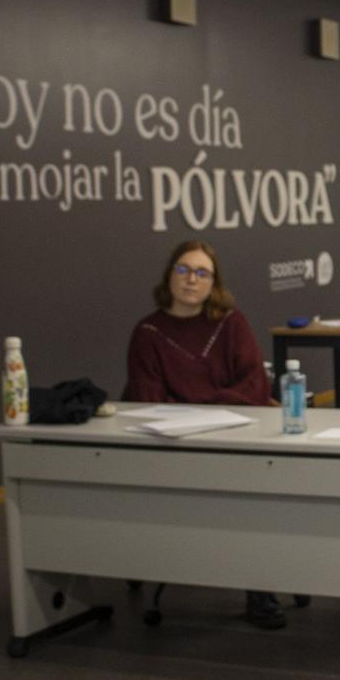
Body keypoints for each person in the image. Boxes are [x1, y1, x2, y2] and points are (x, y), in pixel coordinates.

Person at [124, 239, 287, 629]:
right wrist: (212, 402)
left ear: (214, 283)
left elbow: (254, 388)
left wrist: (197, 402)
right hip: (172, 445)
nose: (191, 280)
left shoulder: (230, 322)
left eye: (202, 273)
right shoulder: (148, 332)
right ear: (169, 276)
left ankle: (259, 588)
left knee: (253, 493)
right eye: (183, 270)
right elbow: (147, 399)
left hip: (235, 439)